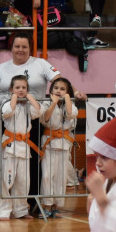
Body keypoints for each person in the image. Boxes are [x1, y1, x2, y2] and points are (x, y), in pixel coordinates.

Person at [0, 75, 42, 220]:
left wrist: (28, 97)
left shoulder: (28, 105)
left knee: (23, 181)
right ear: (11, 89)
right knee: (6, 180)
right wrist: (14, 97)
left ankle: (20, 210)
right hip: (10, 146)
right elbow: (7, 113)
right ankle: (2, 211)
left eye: (23, 88)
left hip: (24, 147)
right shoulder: (6, 103)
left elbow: (38, 111)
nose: (21, 90)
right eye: (17, 88)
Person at [40, 76, 77, 218]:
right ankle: (46, 205)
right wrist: (53, 104)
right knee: (47, 175)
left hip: (63, 144)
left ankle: (56, 206)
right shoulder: (46, 103)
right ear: (51, 90)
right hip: (49, 143)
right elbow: (46, 119)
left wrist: (67, 98)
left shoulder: (71, 104)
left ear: (68, 92)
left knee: (60, 177)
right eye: (56, 88)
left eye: (62, 89)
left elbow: (70, 115)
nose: (58, 91)